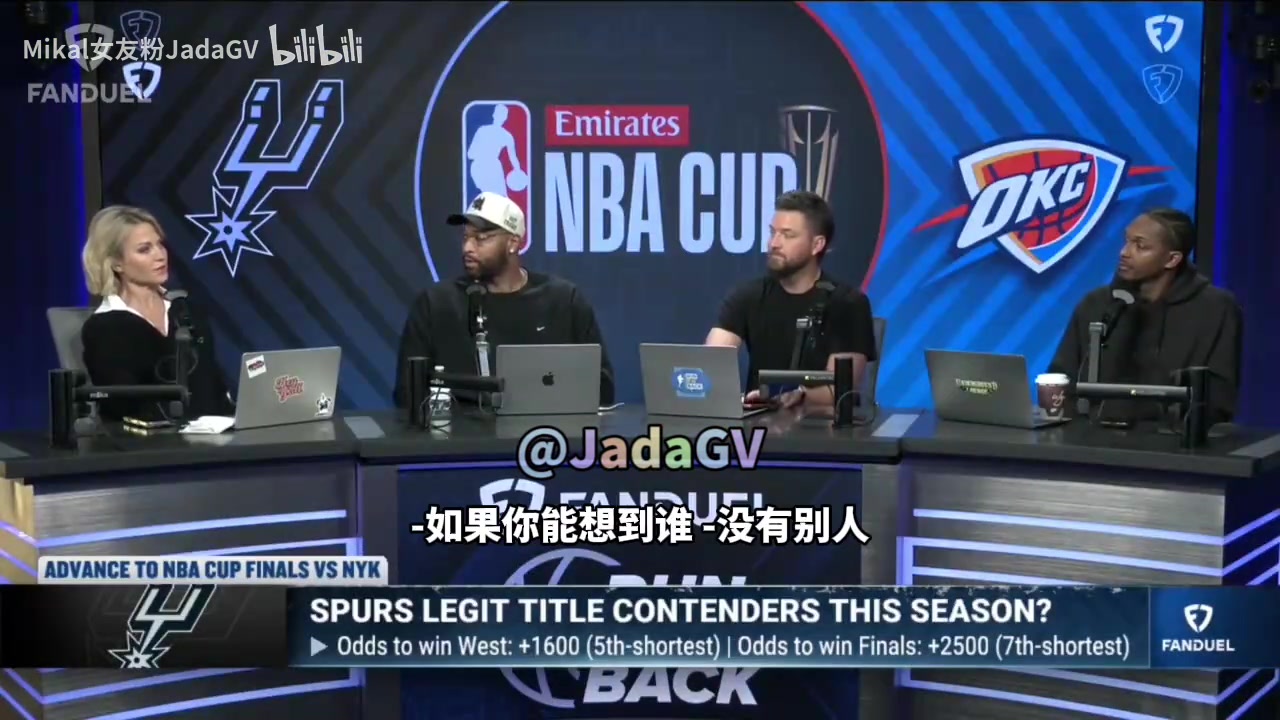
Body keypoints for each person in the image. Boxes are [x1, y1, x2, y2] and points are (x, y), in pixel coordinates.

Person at [394, 192, 615, 407]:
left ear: (513, 243)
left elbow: (601, 388)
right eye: (466, 237)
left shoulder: (563, 301)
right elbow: (408, 393)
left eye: (481, 238)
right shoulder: (436, 304)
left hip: (545, 428)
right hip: (456, 430)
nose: (467, 248)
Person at [1049, 208, 1242, 424]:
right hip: (1091, 438)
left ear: (1172, 259)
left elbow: (1218, 398)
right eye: (1127, 241)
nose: (1124, 252)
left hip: (1173, 440)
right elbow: (1061, 379)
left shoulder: (1215, 308)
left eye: (1140, 246)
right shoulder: (1096, 304)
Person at [705, 190, 878, 409]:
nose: (774, 243)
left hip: (819, 426)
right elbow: (711, 366)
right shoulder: (747, 296)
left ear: (817, 244)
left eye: (788, 235)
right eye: (773, 232)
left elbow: (840, 390)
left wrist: (799, 395)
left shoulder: (847, 303)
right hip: (757, 422)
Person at [79, 206, 235, 421]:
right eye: (145, 249)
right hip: (150, 438)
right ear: (116, 263)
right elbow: (122, 406)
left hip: (215, 433)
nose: (160, 255)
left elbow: (213, 385)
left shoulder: (184, 310)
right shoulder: (105, 327)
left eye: (159, 244)